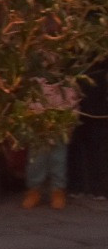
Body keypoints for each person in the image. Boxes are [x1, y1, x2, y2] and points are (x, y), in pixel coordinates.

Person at [23, 82, 79, 210]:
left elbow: (73, 100)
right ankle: (34, 190)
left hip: (60, 123)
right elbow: (29, 98)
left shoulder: (67, 79)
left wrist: (69, 120)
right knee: (36, 159)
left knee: (58, 159)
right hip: (39, 123)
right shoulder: (35, 79)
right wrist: (32, 115)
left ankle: (57, 190)